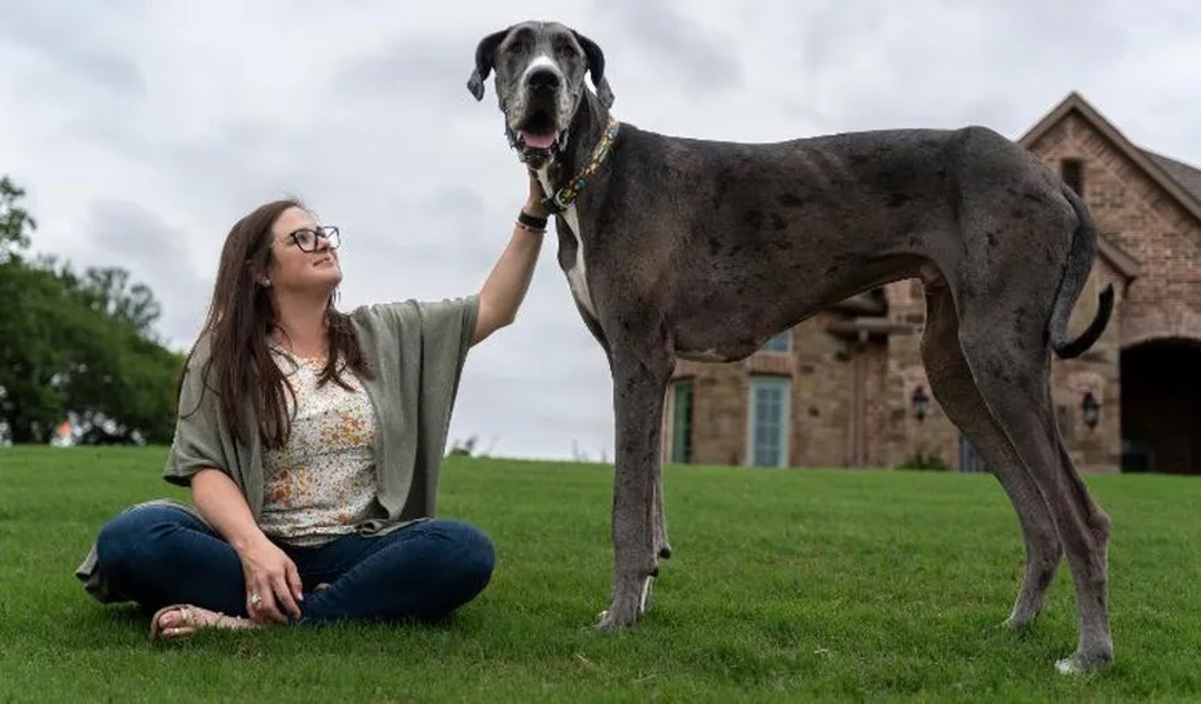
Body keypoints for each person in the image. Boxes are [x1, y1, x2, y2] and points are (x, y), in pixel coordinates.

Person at [74, 171, 550, 641]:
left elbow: (493, 308)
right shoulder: (223, 354)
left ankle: (260, 621)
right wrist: (254, 548)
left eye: (323, 234)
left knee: (463, 550)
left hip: (357, 548)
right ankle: (324, 603)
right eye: (301, 238)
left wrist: (534, 212)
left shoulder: (384, 333)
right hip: (253, 547)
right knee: (131, 538)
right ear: (260, 271)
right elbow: (205, 468)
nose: (323, 243)